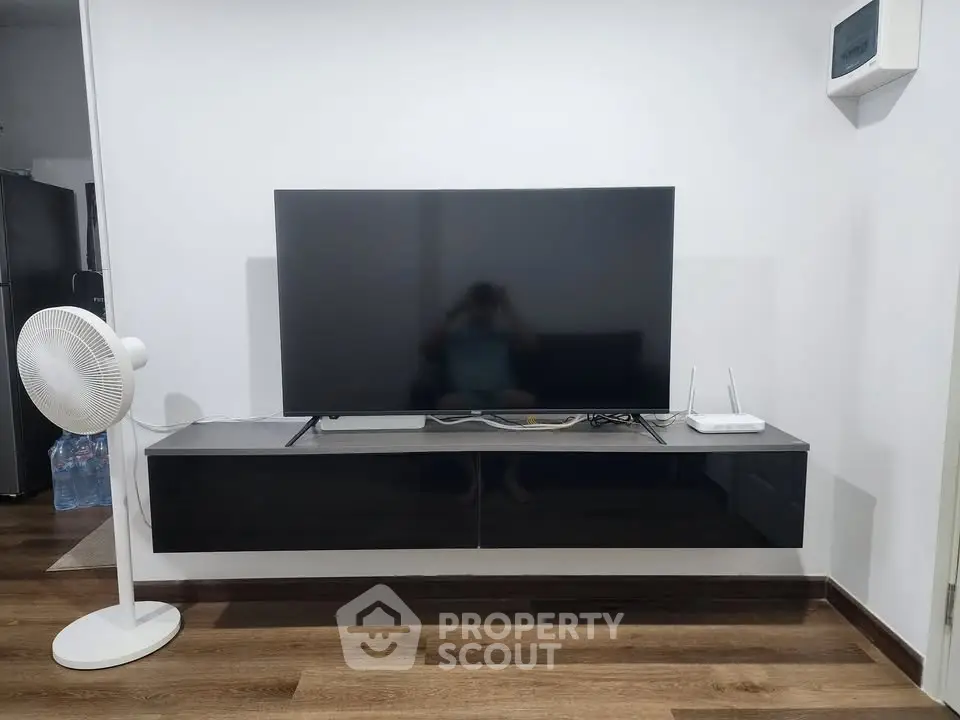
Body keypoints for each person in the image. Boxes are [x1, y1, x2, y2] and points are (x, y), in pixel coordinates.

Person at [424, 282, 536, 410]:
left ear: (494, 307)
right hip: (465, 396)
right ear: (469, 306)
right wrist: (456, 310)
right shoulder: (455, 333)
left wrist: (507, 307)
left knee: (527, 402)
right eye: (479, 304)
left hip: (501, 394)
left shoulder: (501, 333)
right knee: (447, 403)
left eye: (487, 305)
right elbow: (427, 349)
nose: (482, 310)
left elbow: (531, 345)